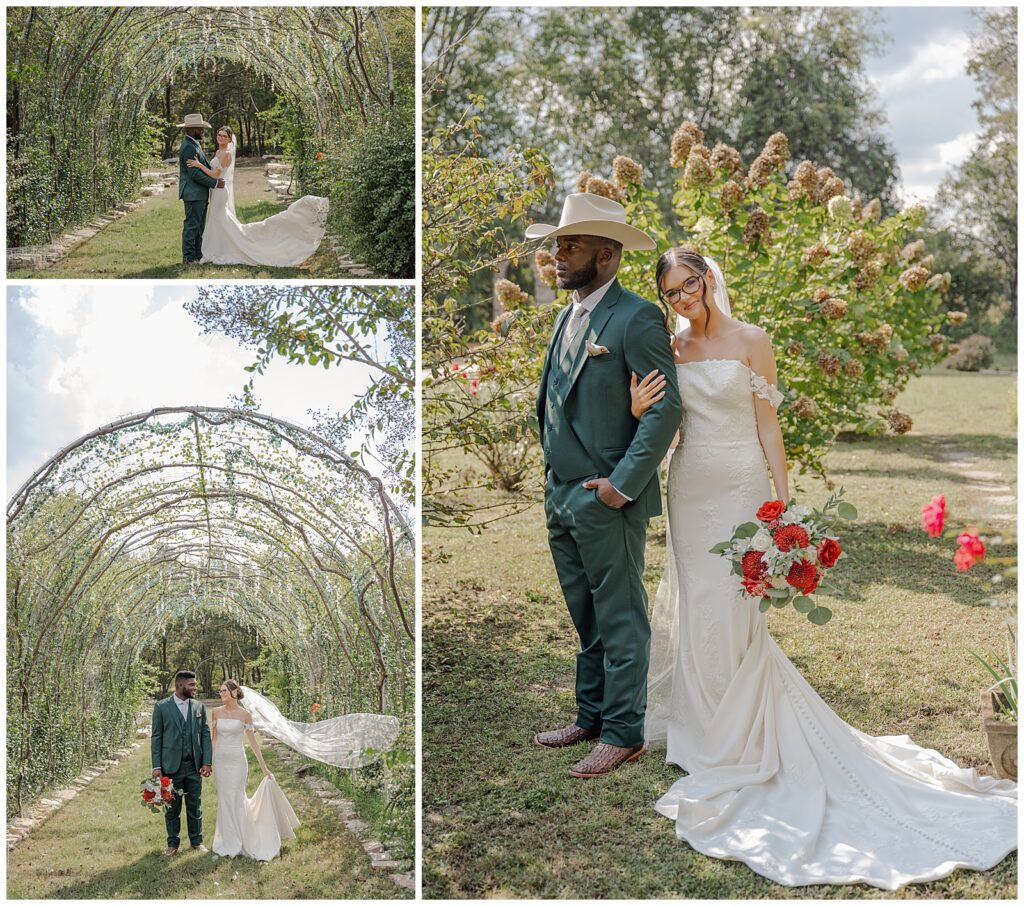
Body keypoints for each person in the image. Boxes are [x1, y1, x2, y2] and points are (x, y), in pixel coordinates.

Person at [631, 246, 1017, 889]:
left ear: (708, 280)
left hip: (742, 487)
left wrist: (782, 509)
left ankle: (743, 734)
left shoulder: (753, 339)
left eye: (689, 284)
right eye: (671, 291)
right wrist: (643, 413)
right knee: (700, 600)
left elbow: (769, 426)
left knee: (735, 603)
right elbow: (669, 425)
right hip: (690, 487)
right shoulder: (669, 349)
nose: (682, 299)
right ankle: (701, 736)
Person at [528, 192, 682, 777]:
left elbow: (665, 411)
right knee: (585, 613)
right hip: (560, 492)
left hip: (604, 495)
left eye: (571, 246)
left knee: (619, 616)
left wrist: (620, 486)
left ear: (609, 255)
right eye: (557, 245)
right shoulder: (567, 315)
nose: (558, 256)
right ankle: (590, 715)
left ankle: (624, 732)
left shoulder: (638, 317)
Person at [185, 126, 328, 266]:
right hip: (215, 191)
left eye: (224, 136)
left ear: (229, 140)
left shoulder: (227, 154)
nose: (220, 138)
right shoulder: (217, 152)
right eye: (219, 135)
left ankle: (223, 249)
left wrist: (199, 165)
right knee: (217, 220)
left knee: (219, 218)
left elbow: (216, 175)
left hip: (221, 191)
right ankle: (217, 248)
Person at [210, 680, 299, 861]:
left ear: (235, 692)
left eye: (224, 691)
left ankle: (243, 838)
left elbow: (252, 742)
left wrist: (263, 766)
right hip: (220, 760)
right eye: (220, 691)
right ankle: (227, 840)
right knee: (224, 798)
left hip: (237, 761)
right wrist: (210, 762)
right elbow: (214, 739)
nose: (221, 694)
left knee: (236, 796)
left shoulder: (245, 715)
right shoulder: (216, 712)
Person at [151, 670, 212, 856]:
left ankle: (197, 841)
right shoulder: (161, 707)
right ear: (179, 685)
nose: (195, 688)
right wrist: (157, 766)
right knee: (172, 808)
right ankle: (172, 844)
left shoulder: (199, 707)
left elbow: (205, 734)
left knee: (195, 805)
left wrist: (207, 762)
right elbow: (156, 737)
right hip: (171, 767)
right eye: (192, 685)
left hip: (194, 766)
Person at [177, 113, 225, 265]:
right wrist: (215, 183)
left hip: (199, 193)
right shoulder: (188, 148)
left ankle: (198, 255)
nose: (203, 131)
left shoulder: (194, 144)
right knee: (192, 226)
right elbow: (195, 174)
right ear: (192, 130)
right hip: (193, 193)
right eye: (201, 128)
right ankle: (188, 258)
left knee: (199, 226)